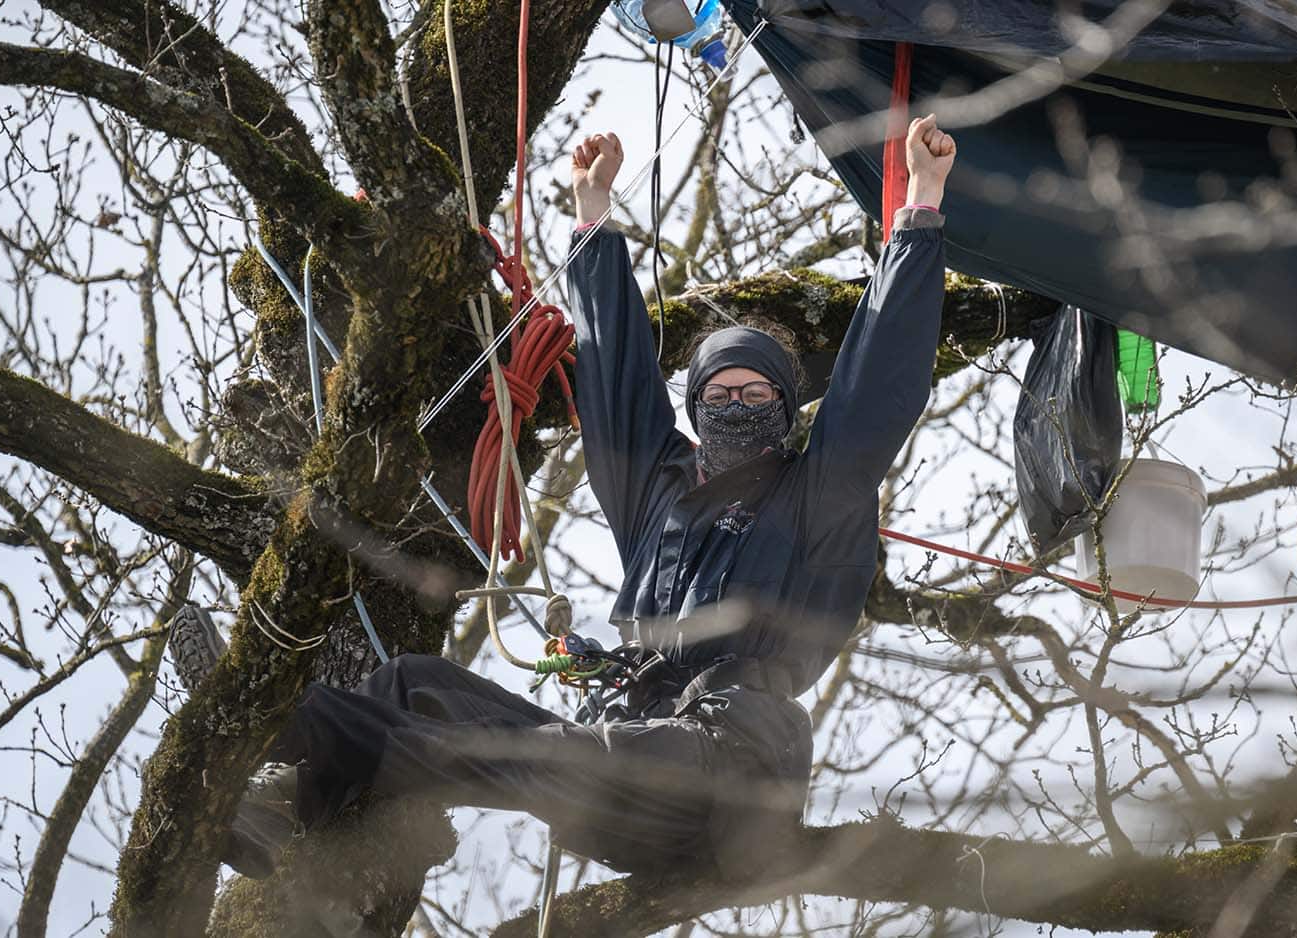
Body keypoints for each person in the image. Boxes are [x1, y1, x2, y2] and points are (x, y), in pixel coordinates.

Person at [222, 115, 957, 880]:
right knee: (418, 683)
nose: (738, 403)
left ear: (787, 408)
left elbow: (878, 384)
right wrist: (594, 216)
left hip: (729, 769)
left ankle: (279, 722)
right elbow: (617, 387)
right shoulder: (660, 503)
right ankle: (298, 810)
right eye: (720, 392)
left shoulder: (818, 495)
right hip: (625, 745)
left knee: (545, 753)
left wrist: (920, 211)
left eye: (758, 391)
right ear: (696, 413)